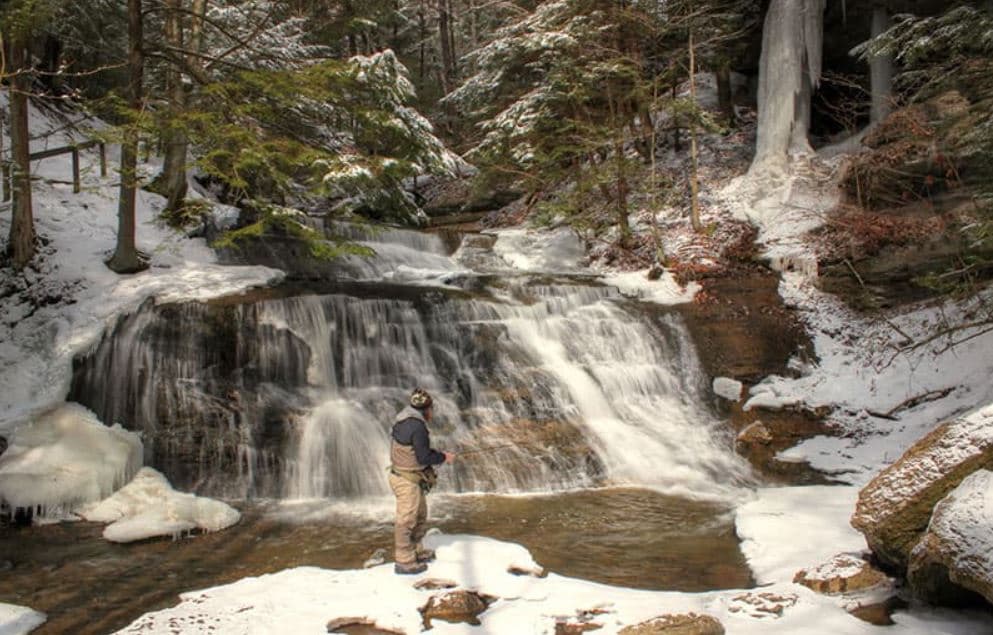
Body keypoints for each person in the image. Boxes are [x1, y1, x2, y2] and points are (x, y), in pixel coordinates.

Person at [388, 387, 454, 574]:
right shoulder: (417, 428)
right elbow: (423, 457)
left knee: (420, 515)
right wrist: (444, 457)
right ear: (426, 409)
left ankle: (416, 550)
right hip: (406, 480)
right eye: (431, 409)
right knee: (407, 519)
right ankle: (404, 561)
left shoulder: (403, 418)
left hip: (408, 477)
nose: (432, 413)